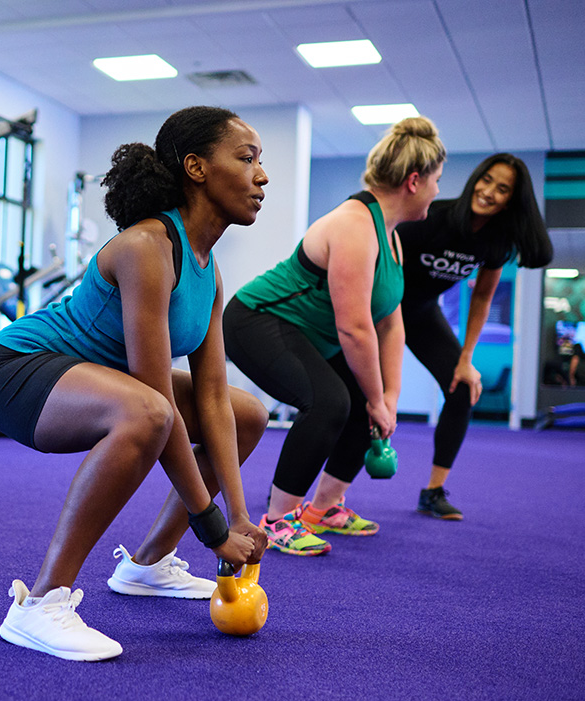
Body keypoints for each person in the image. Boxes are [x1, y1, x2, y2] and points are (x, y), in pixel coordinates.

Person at [0, 106, 270, 661]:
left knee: (247, 411)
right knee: (149, 414)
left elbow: (211, 399)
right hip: (18, 368)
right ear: (196, 167)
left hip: (104, 382)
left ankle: (149, 564)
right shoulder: (146, 247)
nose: (262, 175)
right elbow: (158, 403)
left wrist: (239, 517)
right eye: (247, 158)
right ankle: (40, 603)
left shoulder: (208, 267)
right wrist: (212, 528)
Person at [223, 117, 446, 555]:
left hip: (308, 334)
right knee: (329, 401)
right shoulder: (354, 226)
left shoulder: (393, 238)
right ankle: (278, 519)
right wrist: (377, 398)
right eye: (438, 181)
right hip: (257, 320)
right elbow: (355, 327)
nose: (439, 191)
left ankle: (322, 508)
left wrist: (389, 397)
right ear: (415, 182)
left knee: (365, 403)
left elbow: (389, 322)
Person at [395, 154, 553, 520]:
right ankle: (324, 496)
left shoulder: (497, 241)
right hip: (381, 309)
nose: (489, 192)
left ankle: (433, 492)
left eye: (503, 189)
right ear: (475, 178)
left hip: (421, 314)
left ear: (513, 199)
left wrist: (466, 359)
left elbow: (482, 296)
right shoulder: (431, 216)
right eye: (487, 180)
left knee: (461, 387)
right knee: (358, 396)